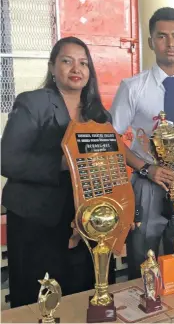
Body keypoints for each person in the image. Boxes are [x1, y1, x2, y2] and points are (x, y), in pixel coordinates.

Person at [1, 37, 113, 308]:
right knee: (38, 295)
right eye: (67, 61)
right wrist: (62, 164)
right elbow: (7, 160)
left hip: (83, 221)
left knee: (80, 292)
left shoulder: (99, 115)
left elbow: (108, 164)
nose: (77, 68)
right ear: (52, 68)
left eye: (83, 63)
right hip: (36, 219)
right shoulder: (33, 103)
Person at [110, 7, 174, 279]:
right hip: (147, 184)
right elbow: (112, 137)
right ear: (151, 42)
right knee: (144, 255)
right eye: (162, 36)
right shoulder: (132, 87)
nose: (170, 43)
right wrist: (145, 168)